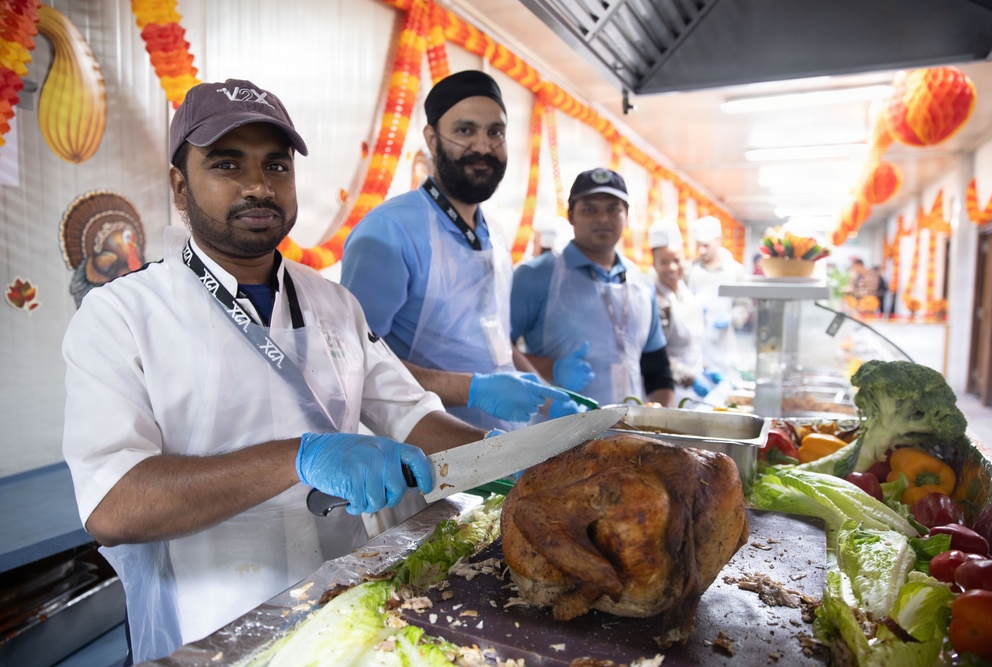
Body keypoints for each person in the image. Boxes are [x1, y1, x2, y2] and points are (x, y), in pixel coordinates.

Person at [62, 79, 491, 664]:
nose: (258, 185)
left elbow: (412, 417)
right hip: (209, 629)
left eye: (276, 165)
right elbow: (114, 506)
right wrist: (298, 457)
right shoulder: (121, 315)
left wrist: (521, 459)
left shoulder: (334, 303)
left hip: (343, 611)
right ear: (179, 186)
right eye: (227, 164)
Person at [341, 70, 571, 430]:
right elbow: (355, 360)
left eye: (495, 132)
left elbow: (497, 344)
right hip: (433, 463)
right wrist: (472, 390)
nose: (483, 147)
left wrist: (546, 395)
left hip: (509, 452)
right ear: (432, 139)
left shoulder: (495, 234)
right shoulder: (388, 232)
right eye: (465, 131)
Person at [509, 168, 675, 408]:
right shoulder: (536, 276)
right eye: (590, 209)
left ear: (626, 215)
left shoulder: (642, 284)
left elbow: (657, 369)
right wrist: (552, 369)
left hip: (629, 432)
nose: (603, 218)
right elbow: (497, 350)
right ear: (571, 216)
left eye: (613, 209)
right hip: (557, 431)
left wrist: (662, 426)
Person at [647, 219, 711, 404]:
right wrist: (690, 378)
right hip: (671, 391)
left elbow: (694, 343)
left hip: (696, 389)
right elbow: (656, 355)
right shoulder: (656, 300)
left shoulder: (686, 292)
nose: (672, 267)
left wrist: (706, 367)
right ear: (655, 263)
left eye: (677, 260)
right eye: (664, 262)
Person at [685, 215, 749, 372]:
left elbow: (744, 306)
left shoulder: (735, 271)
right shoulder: (689, 270)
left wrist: (732, 317)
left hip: (725, 346)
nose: (701, 250)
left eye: (706, 246)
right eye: (698, 245)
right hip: (694, 346)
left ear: (719, 240)